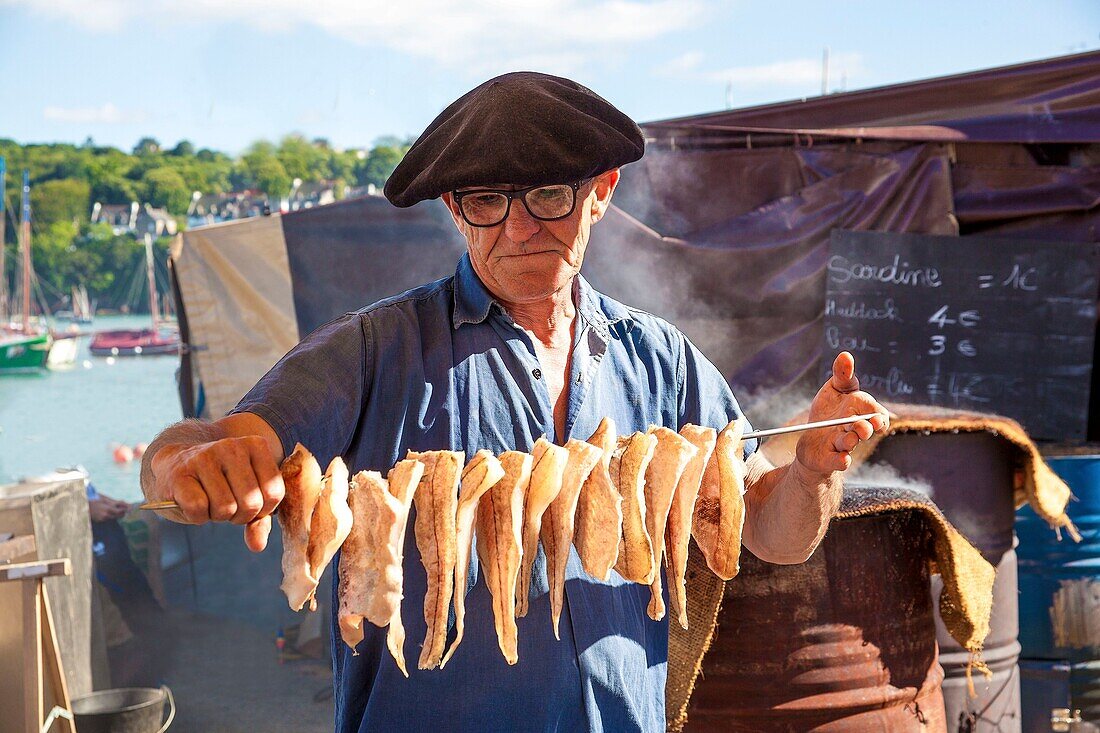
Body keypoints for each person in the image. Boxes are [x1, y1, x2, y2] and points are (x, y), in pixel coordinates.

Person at [141, 72, 889, 733]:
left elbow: (768, 528)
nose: (522, 226)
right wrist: (194, 462)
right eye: (489, 200)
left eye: (550, 195)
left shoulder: (662, 361)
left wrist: (816, 471)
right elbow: (196, 447)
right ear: (454, 208)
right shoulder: (374, 351)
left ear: (600, 193)